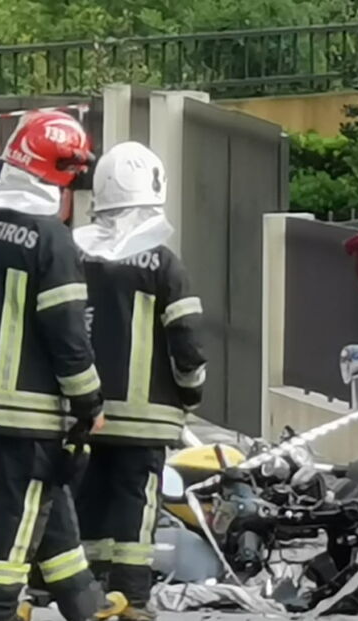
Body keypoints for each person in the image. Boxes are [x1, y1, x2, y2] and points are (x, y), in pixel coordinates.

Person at [0, 110, 125, 621]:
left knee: (47, 494)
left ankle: (82, 599)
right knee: (19, 508)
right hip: (29, 407)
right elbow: (67, 331)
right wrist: (88, 400)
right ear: (58, 170)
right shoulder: (51, 238)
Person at [73, 142, 206, 621]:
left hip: (86, 408)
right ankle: (131, 596)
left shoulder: (76, 252)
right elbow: (185, 339)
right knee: (136, 500)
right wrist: (191, 388)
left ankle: (86, 591)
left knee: (90, 492)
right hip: (147, 414)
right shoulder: (164, 262)